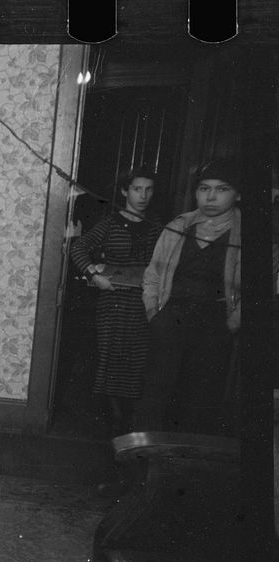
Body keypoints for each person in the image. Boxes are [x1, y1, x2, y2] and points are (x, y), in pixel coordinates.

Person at [133, 159, 242, 436]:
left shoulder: (248, 233)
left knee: (199, 400)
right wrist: (154, 313)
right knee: (156, 396)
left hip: (215, 324)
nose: (211, 196)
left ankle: (184, 474)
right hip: (172, 318)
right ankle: (141, 472)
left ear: (237, 194)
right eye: (204, 188)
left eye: (222, 189)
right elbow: (153, 274)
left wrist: (233, 321)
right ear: (196, 193)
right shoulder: (178, 226)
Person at [70, 168, 161, 435]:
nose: (142, 195)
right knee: (111, 356)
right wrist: (93, 275)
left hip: (144, 303)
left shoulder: (158, 226)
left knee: (137, 359)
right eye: (136, 189)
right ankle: (114, 419)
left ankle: (129, 421)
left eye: (148, 190)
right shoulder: (109, 223)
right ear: (125, 191)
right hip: (113, 301)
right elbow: (77, 247)